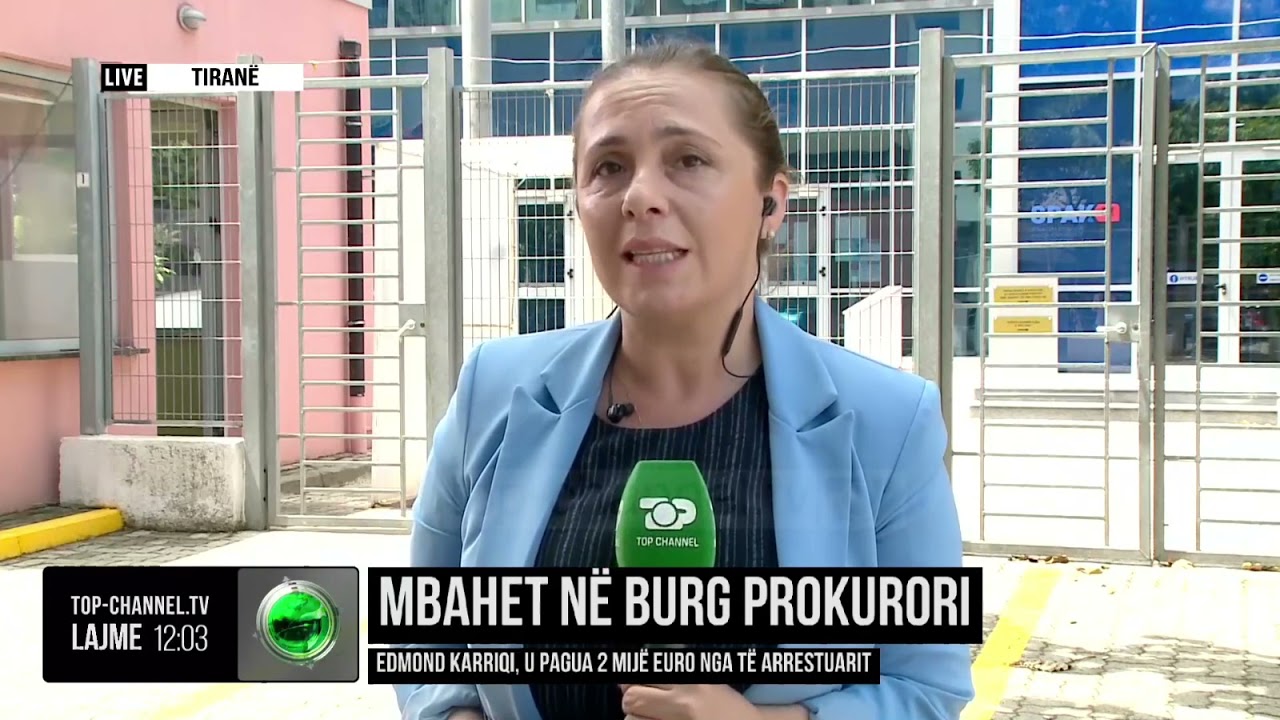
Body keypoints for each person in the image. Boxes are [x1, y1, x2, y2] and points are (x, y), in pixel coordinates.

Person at [395, 40, 974, 720]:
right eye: (608, 167)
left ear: (770, 204)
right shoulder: (493, 390)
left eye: (688, 160)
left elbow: (926, 688)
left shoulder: (889, 421)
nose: (640, 196)